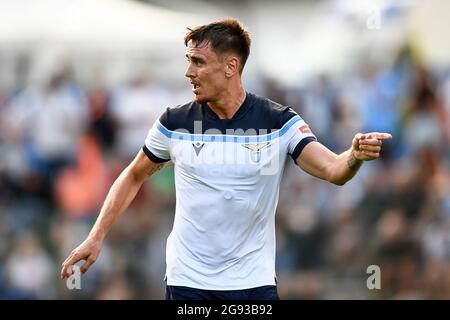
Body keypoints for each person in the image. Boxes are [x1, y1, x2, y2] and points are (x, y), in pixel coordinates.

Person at [61, 18, 392, 300]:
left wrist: (355, 156)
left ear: (231, 66)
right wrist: (97, 234)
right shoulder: (175, 123)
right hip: (188, 280)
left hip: (253, 282)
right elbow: (133, 175)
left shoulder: (278, 122)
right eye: (188, 60)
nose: (189, 72)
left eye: (199, 62)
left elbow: (334, 169)